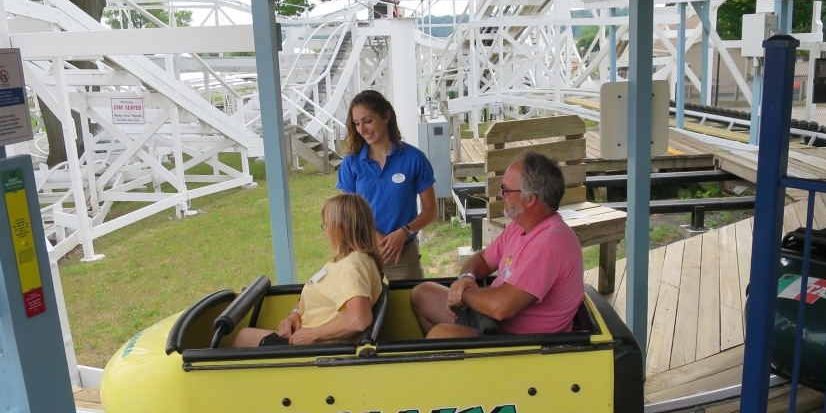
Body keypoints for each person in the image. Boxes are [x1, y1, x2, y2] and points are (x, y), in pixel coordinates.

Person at [411, 151, 584, 338]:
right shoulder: (520, 226)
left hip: (520, 342)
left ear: (530, 200)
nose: (500, 194)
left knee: (440, 335)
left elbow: (501, 308)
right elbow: (484, 260)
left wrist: (464, 293)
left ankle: (446, 359)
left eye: (506, 190)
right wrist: (466, 278)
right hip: (489, 320)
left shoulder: (550, 243)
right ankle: (446, 361)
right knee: (422, 294)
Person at [232, 194, 383, 346]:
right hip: (306, 337)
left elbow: (359, 319)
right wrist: (294, 315)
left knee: (244, 337)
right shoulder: (346, 259)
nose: (325, 233)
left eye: (327, 226)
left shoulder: (353, 266)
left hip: (315, 348)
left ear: (341, 227)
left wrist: (312, 334)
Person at [337, 90, 437, 280]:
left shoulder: (414, 158)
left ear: (386, 116)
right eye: (357, 124)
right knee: (363, 309)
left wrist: (403, 232)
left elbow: (431, 210)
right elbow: (346, 214)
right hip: (361, 254)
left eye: (367, 120)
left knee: (413, 305)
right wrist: (376, 237)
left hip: (403, 253)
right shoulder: (351, 163)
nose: (362, 129)